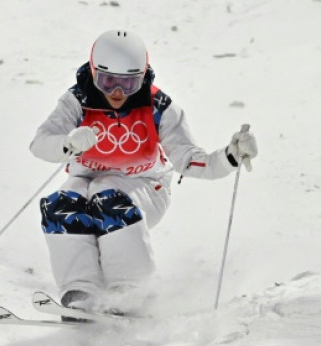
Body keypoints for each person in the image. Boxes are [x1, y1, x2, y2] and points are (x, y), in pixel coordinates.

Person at [29, 29, 258, 317]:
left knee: (106, 193)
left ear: (143, 76)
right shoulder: (77, 100)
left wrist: (230, 157)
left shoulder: (158, 107)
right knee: (61, 203)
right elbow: (39, 144)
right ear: (93, 71)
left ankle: (132, 292)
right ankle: (81, 292)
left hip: (146, 188)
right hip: (85, 184)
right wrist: (68, 142)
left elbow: (188, 159)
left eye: (128, 83)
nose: (116, 92)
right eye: (107, 80)